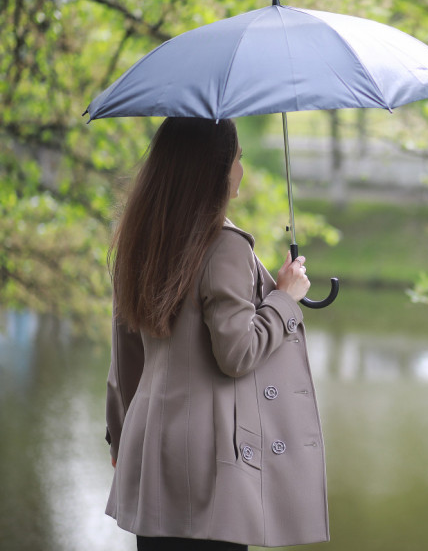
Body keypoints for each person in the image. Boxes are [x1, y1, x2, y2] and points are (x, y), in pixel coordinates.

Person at [105, 117, 329, 550]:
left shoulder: (140, 239)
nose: (240, 170)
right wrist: (285, 298)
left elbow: (124, 359)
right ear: (215, 168)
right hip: (210, 469)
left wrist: (119, 436)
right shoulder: (224, 246)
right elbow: (237, 353)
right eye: (237, 159)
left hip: (150, 454)